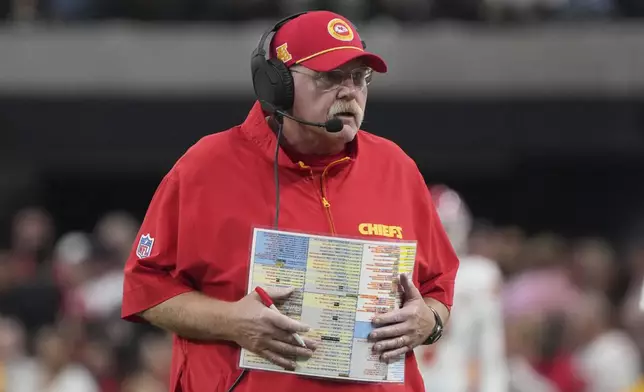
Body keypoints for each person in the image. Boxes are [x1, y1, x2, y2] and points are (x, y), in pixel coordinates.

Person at [120, 10, 459, 392]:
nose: (349, 91)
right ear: (277, 85)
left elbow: (438, 286)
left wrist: (430, 322)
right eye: (330, 77)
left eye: (359, 78)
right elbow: (145, 289)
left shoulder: (396, 167)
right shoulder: (206, 167)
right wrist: (231, 320)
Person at [414, 185, 508, 392]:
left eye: (446, 228)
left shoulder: (480, 276)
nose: (440, 236)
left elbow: (489, 346)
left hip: (454, 380)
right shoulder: (404, 272)